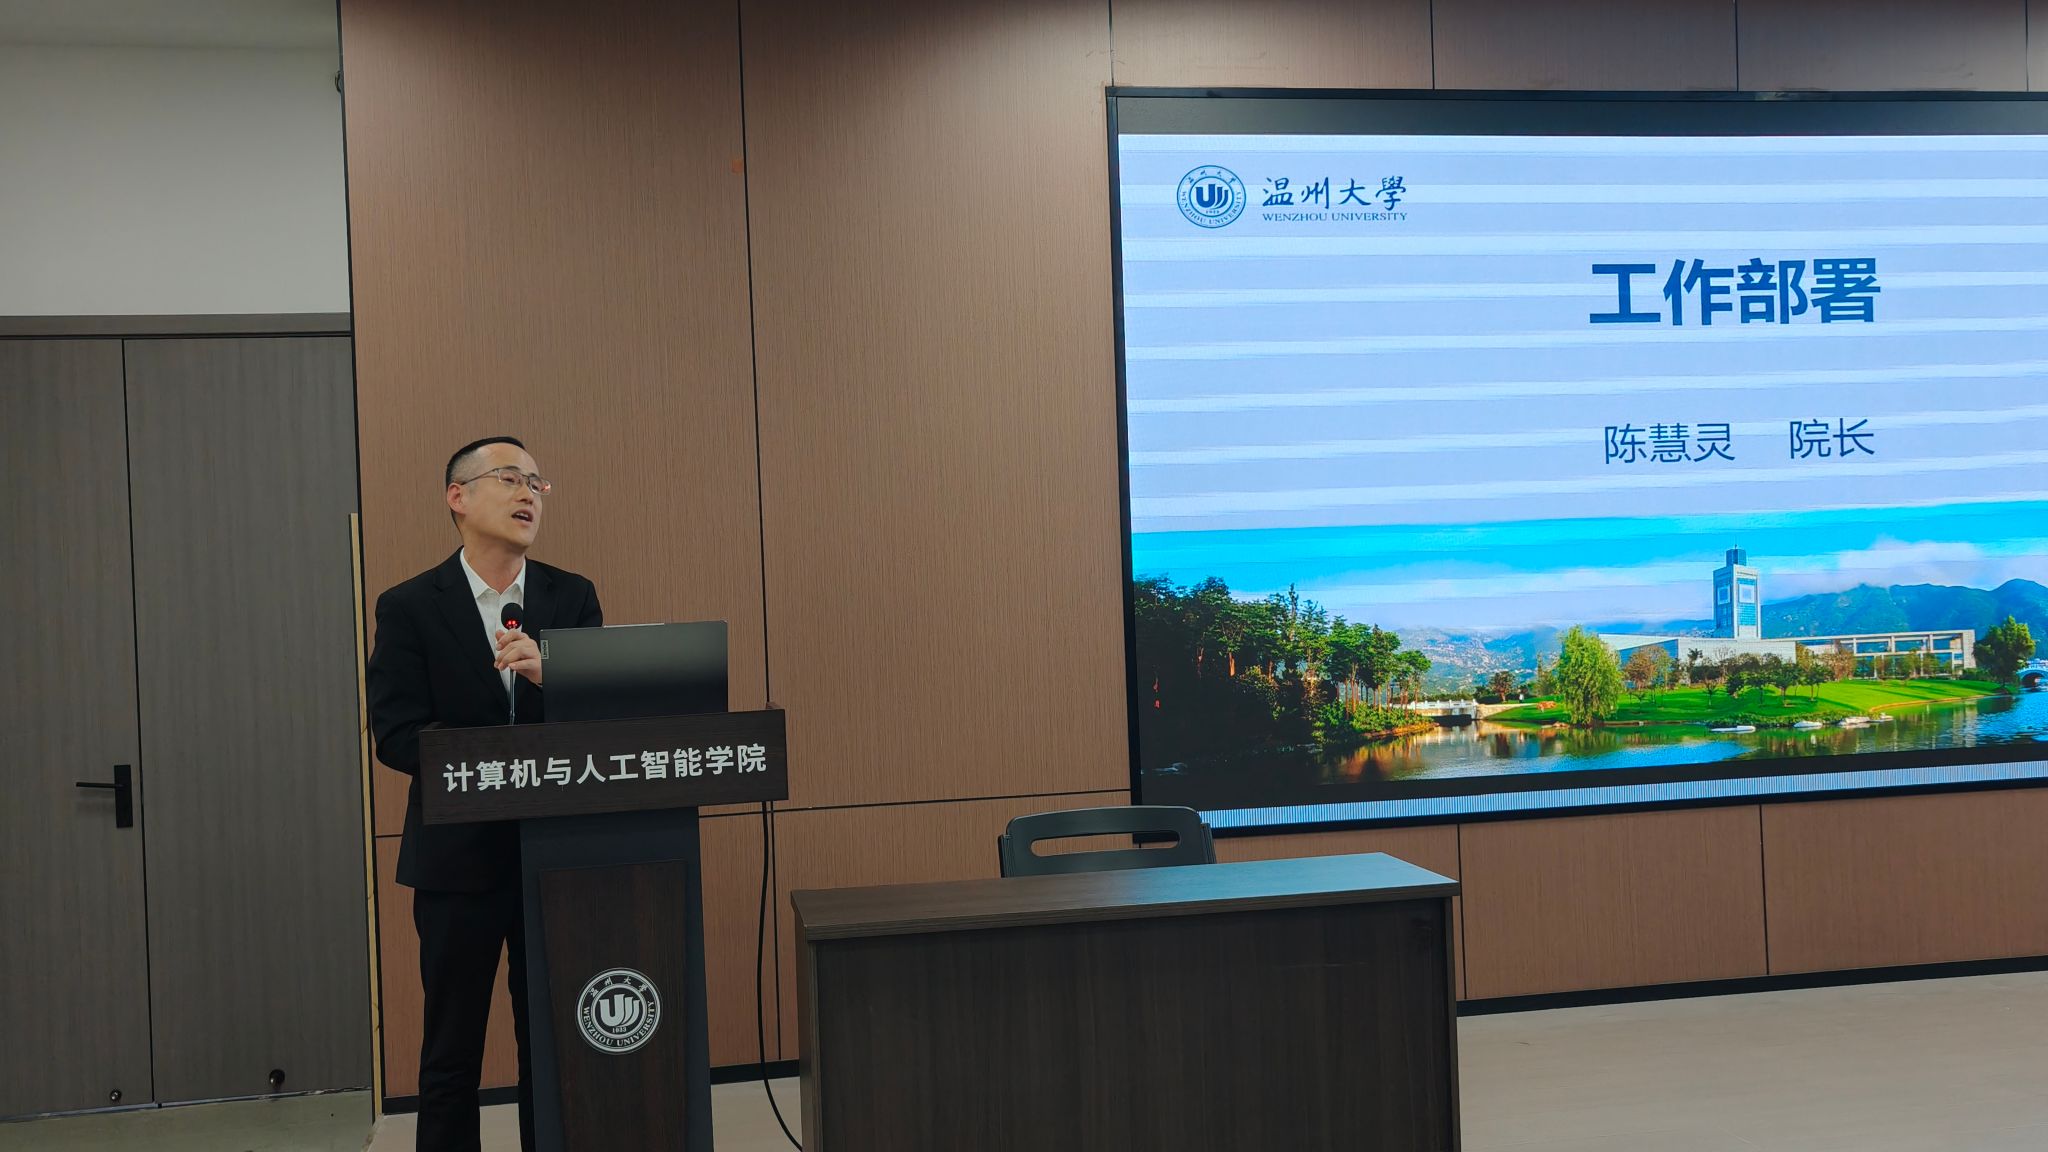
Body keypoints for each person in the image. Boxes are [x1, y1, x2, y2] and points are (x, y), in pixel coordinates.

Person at [367, 436, 602, 1152]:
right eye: (509, 478)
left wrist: (553, 675)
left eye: (537, 482)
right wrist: (489, 759)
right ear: (458, 497)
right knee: (451, 1052)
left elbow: (605, 718)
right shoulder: (410, 605)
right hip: (456, 861)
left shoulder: (571, 596)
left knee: (553, 1046)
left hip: (553, 858)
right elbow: (395, 734)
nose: (529, 492)